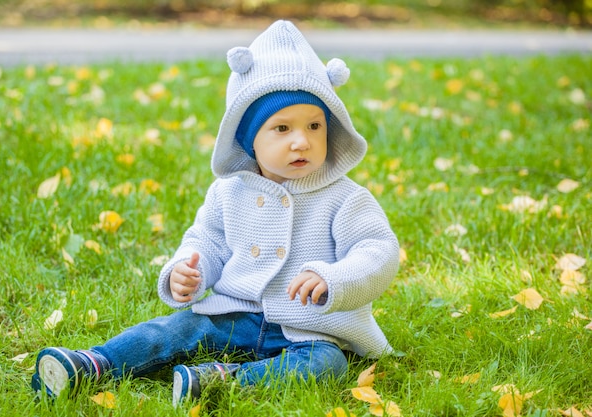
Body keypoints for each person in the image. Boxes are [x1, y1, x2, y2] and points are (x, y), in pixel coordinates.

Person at [31, 20, 400, 406]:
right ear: (248, 138)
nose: (301, 140)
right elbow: (206, 241)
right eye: (281, 128)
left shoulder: (344, 198)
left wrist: (334, 277)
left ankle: (221, 382)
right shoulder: (230, 192)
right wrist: (188, 271)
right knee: (176, 329)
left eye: (314, 125)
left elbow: (378, 251)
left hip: (311, 330)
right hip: (235, 314)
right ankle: (93, 363)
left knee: (326, 365)